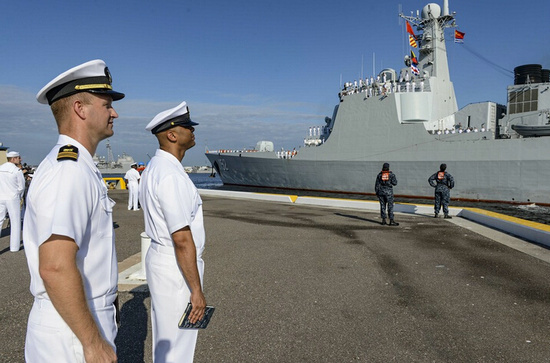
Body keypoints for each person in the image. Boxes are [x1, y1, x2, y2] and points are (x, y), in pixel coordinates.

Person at [23, 59, 124, 362]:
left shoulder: (76, 165)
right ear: (80, 108)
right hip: (73, 332)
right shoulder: (70, 170)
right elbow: (54, 265)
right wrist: (92, 342)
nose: (114, 112)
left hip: (76, 319)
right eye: (107, 105)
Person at [139, 101, 207, 362]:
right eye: (188, 127)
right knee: (178, 345)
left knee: (167, 342)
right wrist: (196, 290)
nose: (193, 131)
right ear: (172, 135)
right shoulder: (170, 176)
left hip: (163, 261)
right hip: (176, 267)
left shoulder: (156, 169)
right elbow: (181, 239)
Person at [0, 151, 25, 252]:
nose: (20, 159)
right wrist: (19, 196)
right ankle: (14, 247)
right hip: (12, 198)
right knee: (15, 222)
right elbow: (21, 187)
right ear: (14, 159)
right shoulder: (16, 171)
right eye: (19, 158)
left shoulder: (0, 168)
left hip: (0, 196)